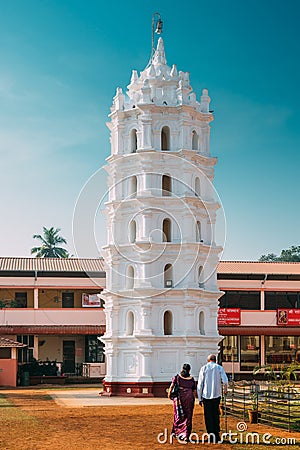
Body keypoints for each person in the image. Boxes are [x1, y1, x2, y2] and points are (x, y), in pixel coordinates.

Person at [197, 354, 228, 443]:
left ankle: (211, 434)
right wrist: (225, 390)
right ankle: (216, 434)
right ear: (215, 360)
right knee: (215, 414)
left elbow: (200, 384)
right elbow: (225, 381)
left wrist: (199, 398)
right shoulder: (219, 368)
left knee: (208, 416)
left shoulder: (204, 368)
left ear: (208, 360)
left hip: (206, 396)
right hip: (216, 395)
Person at [168, 363, 197, 442]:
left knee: (178, 415)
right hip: (189, 398)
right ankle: (186, 435)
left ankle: (177, 432)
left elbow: (171, 386)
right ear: (189, 370)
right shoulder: (191, 379)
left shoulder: (177, 377)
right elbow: (194, 391)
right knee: (188, 416)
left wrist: (169, 395)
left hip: (179, 398)